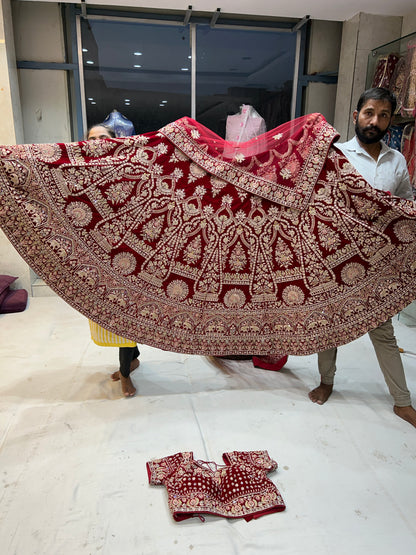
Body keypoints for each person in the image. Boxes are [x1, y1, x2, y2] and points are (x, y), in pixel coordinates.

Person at [309, 87, 416, 428]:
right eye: (369, 113)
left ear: (389, 121)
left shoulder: (396, 161)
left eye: (383, 115)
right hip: (336, 261)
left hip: (378, 265)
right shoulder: (335, 156)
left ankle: (402, 401)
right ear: (356, 115)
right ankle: (327, 382)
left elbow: (405, 208)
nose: (375, 121)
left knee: (383, 332)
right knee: (330, 326)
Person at [87, 124, 140, 397]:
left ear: (114, 141)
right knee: (111, 313)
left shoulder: (125, 167)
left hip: (128, 254)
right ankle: (133, 358)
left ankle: (126, 373)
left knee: (125, 317)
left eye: (102, 137)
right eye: (91, 138)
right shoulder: (78, 170)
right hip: (98, 253)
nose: (96, 142)